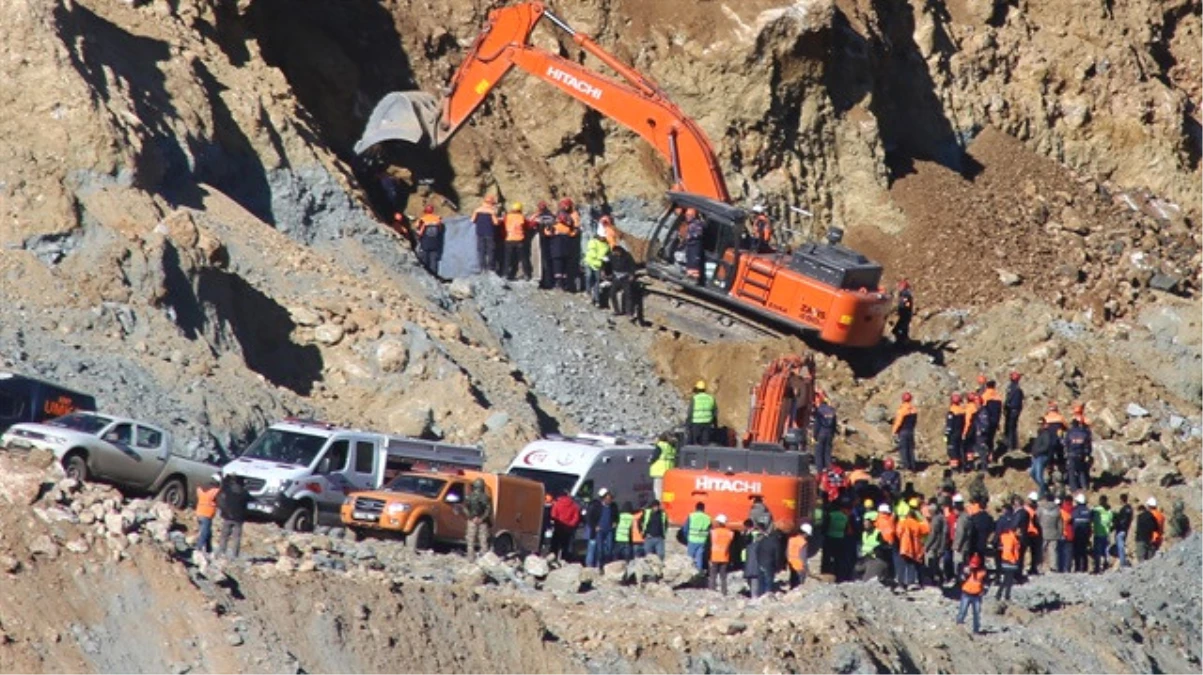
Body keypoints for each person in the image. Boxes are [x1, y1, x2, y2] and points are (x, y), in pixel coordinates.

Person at [897, 504, 930, 590]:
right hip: (914, 548)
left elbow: (898, 533)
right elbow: (927, 529)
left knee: (902, 565)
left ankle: (901, 583)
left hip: (904, 547)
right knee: (911, 565)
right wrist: (923, 518)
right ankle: (910, 583)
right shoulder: (917, 524)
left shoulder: (902, 523)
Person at [216, 474, 248, 560]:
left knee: (224, 536)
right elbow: (249, 501)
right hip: (238, 518)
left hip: (227, 516)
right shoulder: (244, 492)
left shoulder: (228, 490)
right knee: (236, 537)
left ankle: (221, 552)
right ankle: (234, 554)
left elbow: (222, 500)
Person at [956, 553, 988, 635]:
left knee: (976, 613)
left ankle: (976, 630)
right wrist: (965, 573)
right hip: (966, 593)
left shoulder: (983, 572)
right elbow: (960, 579)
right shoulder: (966, 569)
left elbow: (985, 583)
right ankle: (959, 624)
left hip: (977, 595)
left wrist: (984, 591)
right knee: (963, 610)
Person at [551, 199, 579, 290]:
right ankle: (559, 282)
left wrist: (570, 232)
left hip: (565, 239)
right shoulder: (557, 216)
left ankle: (563, 282)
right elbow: (550, 228)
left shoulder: (572, 216)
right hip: (558, 239)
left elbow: (574, 227)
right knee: (558, 260)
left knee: (564, 261)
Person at [464, 478, 493, 561]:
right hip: (483, 522)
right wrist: (481, 518)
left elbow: (465, 508)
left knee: (470, 541)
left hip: (472, 521)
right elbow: (488, 510)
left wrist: (471, 517)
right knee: (483, 542)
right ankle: (485, 560)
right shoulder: (486, 498)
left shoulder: (469, 497)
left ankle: (470, 558)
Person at [606, 243, 639, 319]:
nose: (614, 254)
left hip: (625, 277)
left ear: (619, 251)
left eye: (616, 252)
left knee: (628, 295)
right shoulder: (612, 256)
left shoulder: (627, 256)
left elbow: (632, 266)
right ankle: (616, 310)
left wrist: (632, 275)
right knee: (612, 293)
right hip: (616, 277)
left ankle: (629, 312)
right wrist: (606, 273)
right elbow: (607, 264)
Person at [549, 489, 581, 561]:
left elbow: (553, 515)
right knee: (565, 545)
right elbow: (576, 518)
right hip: (568, 529)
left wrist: (557, 523)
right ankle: (563, 560)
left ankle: (552, 559)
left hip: (558, 527)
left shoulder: (557, 503)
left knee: (555, 544)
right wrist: (570, 525)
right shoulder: (574, 505)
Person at [503, 202, 532, 280]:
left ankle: (506, 274)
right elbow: (527, 226)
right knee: (523, 258)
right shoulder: (521, 217)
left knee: (508, 258)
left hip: (509, 239)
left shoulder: (507, 216)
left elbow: (503, 225)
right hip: (519, 240)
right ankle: (527, 274)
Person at [472, 195, 501, 274]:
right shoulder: (492, 211)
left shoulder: (477, 210)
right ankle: (490, 268)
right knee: (490, 251)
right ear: (491, 203)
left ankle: (482, 268)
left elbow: (472, 220)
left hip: (479, 233)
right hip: (489, 233)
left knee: (481, 251)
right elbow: (496, 223)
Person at [532, 201, 557, 288]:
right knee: (547, 261)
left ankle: (546, 282)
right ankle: (547, 281)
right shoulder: (550, 215)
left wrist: (537, 220)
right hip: (549, 239)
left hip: (545, 239)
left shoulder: (544, 215)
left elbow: (535, 223)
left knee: (544, 261)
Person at [415, 205, 445, 275]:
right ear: (432, 211)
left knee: (424, 260)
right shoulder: (437, 219)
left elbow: (417, 227)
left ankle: (425, 275)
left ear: (425, 211)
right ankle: (434, 275)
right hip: (435, 243)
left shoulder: (423, 219)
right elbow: (440, 230)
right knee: (434, 261)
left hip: (425, 243)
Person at [708, 514, 734, 595]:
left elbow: (709, 543)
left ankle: (712, 590)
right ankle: (724, 591)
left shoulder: (713, 532)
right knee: (723, 576)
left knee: (713, 575)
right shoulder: (730, 533)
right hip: (724, 557)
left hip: (715, 556)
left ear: (719, 523)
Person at [194, 474, 220, 555]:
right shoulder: (215, 491)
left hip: (199, 512)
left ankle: (209, 549)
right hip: (207, 514)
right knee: (204, 532)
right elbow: (218, 500)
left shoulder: (201, 488)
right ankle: (198, 548)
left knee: (208, 532)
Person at [892, 392, 918, 471]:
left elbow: (898, 422)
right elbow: (914, 421)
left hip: (903, 431)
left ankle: (906, 466)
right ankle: (913, 465)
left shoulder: (902, 410)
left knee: (903, 449)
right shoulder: (914, 409)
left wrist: (894, 431)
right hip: (911, 431)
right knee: (910, 448)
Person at [1064, 418, 1092, 492]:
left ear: (1072, 425)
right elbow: (1088, 445)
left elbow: (1066, 443)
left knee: (1071, 471)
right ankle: (1084, 486)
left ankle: (1073, 488)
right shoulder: (1083, 432)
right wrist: (1087, 454)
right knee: (1081, 470)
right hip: (1081, 454)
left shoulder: (1069, 433)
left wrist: (1066, 452)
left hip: (1072, 454)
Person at [583, 230, 611, 306]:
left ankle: (597, 299)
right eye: (602, 237)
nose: (603, 238)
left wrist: (606, 259)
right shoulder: (593, 242)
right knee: (588, 276)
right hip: (590, 262)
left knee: (597, 282)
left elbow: (608, 254)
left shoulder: (606, 246)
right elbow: (592, 253)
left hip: (598, 265)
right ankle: (588, 292)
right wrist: (601, 258)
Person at [686, 381, 718, 446]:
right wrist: (715, 425)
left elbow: (690, 412)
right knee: (705, 443)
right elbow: (715, 412)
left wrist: (688, 423)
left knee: (696, 444)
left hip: (696, 424)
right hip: (707, 424)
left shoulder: (695, 398)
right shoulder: (711, 398)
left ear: (697, 389)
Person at [1038, 492, 1063, 574]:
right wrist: (1060, 533)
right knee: (1053, 551)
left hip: (1042, 532)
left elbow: (1037, 519)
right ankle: (1054, 567)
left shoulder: (1041, 508)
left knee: (1041, 551)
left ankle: (1039, 566)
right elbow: (1060, 523)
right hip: (1054, 532)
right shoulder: (1057, 509)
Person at [1029, 421, 1057, 495]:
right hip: (1036, 457)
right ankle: (1044, 488)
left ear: (1045, 425)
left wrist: (1037, 452)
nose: (1039, 425)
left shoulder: (1046, 434)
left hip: (1041, 457)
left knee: (1039, 476)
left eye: (1041, 424)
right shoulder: (1040, 434)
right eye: (1038, 424)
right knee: (1032, 473)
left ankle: (1042, 494)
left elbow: (1046, 446)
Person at [812, 393, 838, 472]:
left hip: (821, 433)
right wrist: (833, 434)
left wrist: (814, 436)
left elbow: (817, 424)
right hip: (829, 433)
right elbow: (834, 424)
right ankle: (829, 468)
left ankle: (819, 470)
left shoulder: (820, 410)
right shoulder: (832, 411)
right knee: (827, 451)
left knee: (818, 452)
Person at [649, 434, 677, 501]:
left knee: (658, 491)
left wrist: (649, 460)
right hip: (669, 471)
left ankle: (659, 505)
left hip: (659, 472)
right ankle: (668, 503)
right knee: (667, 490)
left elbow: (654, 458)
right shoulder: (672, 446)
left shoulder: (660, 446)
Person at [996, 525, 1020, 601]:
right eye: (1019, 531)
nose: (1021, 533)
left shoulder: (1006, 536)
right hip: (1010, 561)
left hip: (1005, 560)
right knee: (1009, 581)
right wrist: (1013, 560)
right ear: (1015, 531)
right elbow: (1009, 550)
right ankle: (1006, 596)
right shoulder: (1012, 539)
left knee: (1006, 579)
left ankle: (999, 595)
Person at [1020, 492, 1042, 575]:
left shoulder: (1026, 509)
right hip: (1032, 533)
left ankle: (1028, 568)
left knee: (1025, 552)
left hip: (1028, 533)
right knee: (1033, 553)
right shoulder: (1034, 510)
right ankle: (1032, 568)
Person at [685, 502, 712, 570]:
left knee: (690, 558)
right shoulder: (708, 518)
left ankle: (689, 572)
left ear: (696, 508)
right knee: (699, 557)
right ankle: (699, 572)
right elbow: (709, 530)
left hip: (692, 539)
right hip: (702, 541)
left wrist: (687, 537)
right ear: (703, 509)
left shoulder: (691, 516)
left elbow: (685, 529)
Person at [1091, 495, 1113, 573]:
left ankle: (1097, 568)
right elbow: (1111, 522)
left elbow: (1091, 519)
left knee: (1097, 552)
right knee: (1105, 551)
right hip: (1106, 534)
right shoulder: (1109, 511)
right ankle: (1105, 566)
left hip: (1098, 533)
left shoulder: (1096, 510)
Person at [981, 380, 1003, 457]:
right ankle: (991, 454)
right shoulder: (998, 396)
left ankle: (985, 455)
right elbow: (999, 411)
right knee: (991, 438)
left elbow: (981, 409)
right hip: (995, 420)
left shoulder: (985, 396)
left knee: (984, 438)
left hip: (986, 421)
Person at [945, 393, 967, 472]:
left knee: (952, 450)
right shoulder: (962, 411)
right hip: (960, 433)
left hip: (953, 435)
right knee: (960, 449)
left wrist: (946, 435)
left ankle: (955, 468)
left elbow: (949, 425)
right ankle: (962, 466)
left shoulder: (952, 411)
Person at [1070, 493, 1091, 572]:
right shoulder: (1088, 511)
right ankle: (1085, 568)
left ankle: (1077, 568)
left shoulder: (1075, 510)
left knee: (1077, 552)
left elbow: (1071, 520)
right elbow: (1089, 523)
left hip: (1077, 533)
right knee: (1084, 551)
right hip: (1085, 534)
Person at [683, 208, 705, 283]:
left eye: (689, 215)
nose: (687, 216)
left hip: (694, 247)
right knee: (690, 261)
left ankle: (693, 279)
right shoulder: (690, 224)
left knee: (693, 262)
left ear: (693, 216)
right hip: (690, 246)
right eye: (686, 215)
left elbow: (698, 234)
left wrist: (690, 236)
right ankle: (689, 275)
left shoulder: (697, 224)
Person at [742, 522, 765, 597]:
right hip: (751, 558)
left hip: (749, 558)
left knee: (753, 576)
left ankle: (755, 593)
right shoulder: (763, 536)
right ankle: (756, 592)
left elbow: (745, 542)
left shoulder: (751, 535)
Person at [1004, 372, 1024, 452]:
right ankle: (1013, 444)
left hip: (1012, 410)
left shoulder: (1014, 388)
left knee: (1010, 428)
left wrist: (1007, 406)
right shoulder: (1016, 388)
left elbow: (1011, 399)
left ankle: (1011, 445)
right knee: (1012, 427)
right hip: (1014, 410)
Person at [787, 523, 811, 588]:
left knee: (793, 580)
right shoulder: (803, 542)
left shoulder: (791, 539)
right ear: (805, 533)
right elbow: (803, 557)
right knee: (799, 585)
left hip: (791, 563)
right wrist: (806, 569)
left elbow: (787, 552)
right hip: (799, 566)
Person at [1113, 493, 1133, 568]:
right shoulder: (1129, 509)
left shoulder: (1124, 509)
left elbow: (1123, 521)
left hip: (1121, 530)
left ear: (1121, 500)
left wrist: (1117, 523)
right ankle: (1122, 561)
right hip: (1125, 529)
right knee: (1121, 545)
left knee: (1120, 546)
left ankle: (1122, 562)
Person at [892, 279, 914, 345]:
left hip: (905, 316)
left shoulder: (906, 295)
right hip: (904, 315)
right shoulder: (903, 294)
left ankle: (902, 344)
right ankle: (901, 342)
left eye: (900, 286)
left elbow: (906, 304)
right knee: (899, 330)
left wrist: (902, 308)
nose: (899, 288)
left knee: (900, 330)